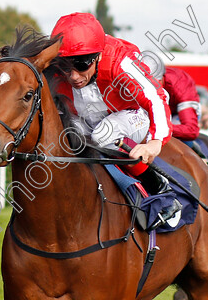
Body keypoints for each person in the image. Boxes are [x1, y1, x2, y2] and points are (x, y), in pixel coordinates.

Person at [49, 12, 179, 222]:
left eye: (82, 65)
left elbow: (156, 97)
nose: (73, 76)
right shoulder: (53, 64)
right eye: (65, 66)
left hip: (132, 116)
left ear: (98, 56)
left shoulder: (119, 60)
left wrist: (154, 144)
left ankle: (159, 187)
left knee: (102, 135)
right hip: (85, 119)